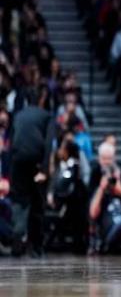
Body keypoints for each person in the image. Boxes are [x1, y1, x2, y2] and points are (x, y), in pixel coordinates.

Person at [10, 87, 56, 256]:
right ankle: (35, 248)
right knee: (37, 204)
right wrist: (44, 170)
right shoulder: (47, 116)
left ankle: (17, 237)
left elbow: (12, 141)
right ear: (42, 99)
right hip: (36, 161)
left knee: (20, 201)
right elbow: (49, 144)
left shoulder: (18, 115)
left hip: (17, 161)